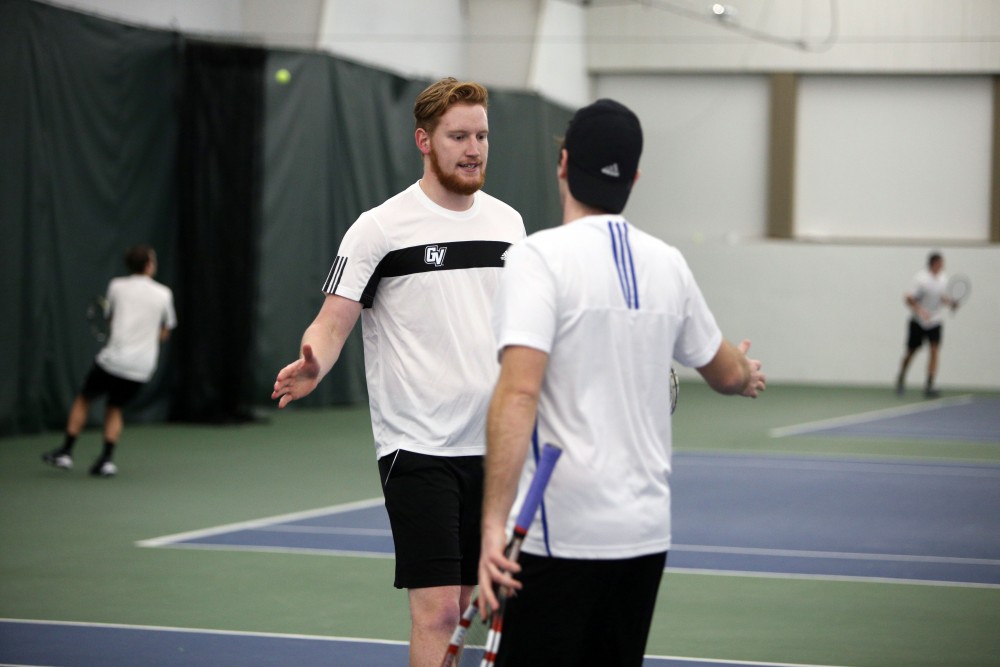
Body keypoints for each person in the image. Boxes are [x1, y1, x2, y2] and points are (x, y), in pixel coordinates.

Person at [477, 99, 766, 666]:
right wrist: (745, 373)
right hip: (644, 535)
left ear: (562, 164)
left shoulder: (538, 258)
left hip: (561, 532)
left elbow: (518, 392)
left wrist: (492, 525)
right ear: (634, 177)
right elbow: (726, 370)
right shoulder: (669, 264)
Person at [270, 77, 524, 666]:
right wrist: (314, 364)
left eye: (482, 136)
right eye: (458, 135)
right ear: (424, 140)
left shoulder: (510, 225)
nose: (474, 148)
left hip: (496, 447)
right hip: (418, 449)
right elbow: (331, 324)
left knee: (468, 610)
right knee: (436, 612)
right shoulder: (379, 229)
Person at [43, 244, 176, 477]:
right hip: (141, 367)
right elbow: (165, 333)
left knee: (84, 400)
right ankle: (106, 460)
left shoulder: (116, 286)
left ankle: (65, 452)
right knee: (115, 408)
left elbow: (111, 320)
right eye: (153, 260)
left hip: (113, 361)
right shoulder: (164, 294)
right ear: (147, 265)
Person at [895, 251, 955, 398]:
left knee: (934, 350)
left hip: (935, 321)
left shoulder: (943, 279)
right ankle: (901, 377)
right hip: (918, 322)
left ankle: (929, 384)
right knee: (911, 352)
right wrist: (921, 311)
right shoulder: (921, 279)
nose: (942, 265)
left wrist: (951, 303)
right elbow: (908, 298)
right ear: (933, 263)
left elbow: (941, 298)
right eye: (940, 262)